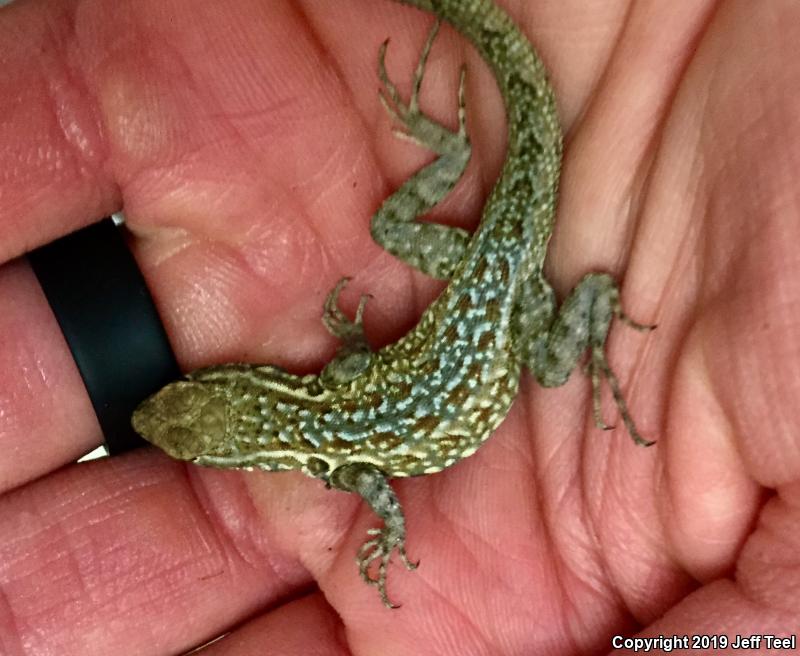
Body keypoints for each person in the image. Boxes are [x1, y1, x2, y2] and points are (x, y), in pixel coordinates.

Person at [1, 0, 798, 652]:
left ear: (241, 438)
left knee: (552, 369)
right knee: (398, 236)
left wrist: (383, 532)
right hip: (485, 272)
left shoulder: (341, 461)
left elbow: (384, 494)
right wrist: (353, 347)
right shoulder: (329, 396)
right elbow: (363, 412)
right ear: (233, 384)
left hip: (505, 286)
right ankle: (451, 153)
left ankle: (591, 299)